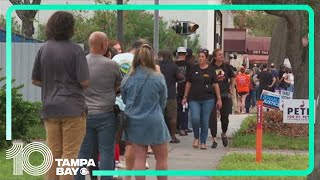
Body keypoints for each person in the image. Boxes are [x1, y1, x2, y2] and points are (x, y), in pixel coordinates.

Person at [31, 11, 89, 180]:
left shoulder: (44, 49)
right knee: (69, 154)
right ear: (69, 27)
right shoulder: (76, 50)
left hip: (50, 108)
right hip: (73, 108)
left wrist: (52, 83)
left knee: (53, 153)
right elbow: (84, 82)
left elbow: (35, 80)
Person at [75, 32, 122, 180]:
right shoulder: (112, 65)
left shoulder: (79, 63)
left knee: (82, 153)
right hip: (106, 114)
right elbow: (118, 86)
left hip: (84, 114)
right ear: (104, 45)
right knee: (107, 151)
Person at [121, 44, 170, 180]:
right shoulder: (158, 77)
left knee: (139, 159)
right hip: (154, 119)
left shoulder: (128, 78)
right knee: (161, 159)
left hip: (135, 121)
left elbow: (125, 100)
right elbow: (163, 100)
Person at [112, 39, 150, 179]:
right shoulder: (140, 62)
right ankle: (130, 171)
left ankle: (114, 167)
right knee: (131, 143)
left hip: (115, 102)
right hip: (133, 106)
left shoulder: (116, 58)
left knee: (113, 139)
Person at [182, 48, 222, 150]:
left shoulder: (211, 70)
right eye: (199, 56)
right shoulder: (193, 69)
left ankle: (203, 141)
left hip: (208, 99)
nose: (200, 58)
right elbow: (188, 83)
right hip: (194, 98)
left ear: (206, 58)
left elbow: (216, 84)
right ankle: (196, 137)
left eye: (202, 57)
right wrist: (185, 96)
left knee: (204, 121)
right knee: (195, 118)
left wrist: (219, 98)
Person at [209, 49, 235, 148]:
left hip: (225, 94)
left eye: (222, 54)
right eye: (219, 55)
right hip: (212, 94)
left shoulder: (227, 66)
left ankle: (224, 133)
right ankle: (214, 138)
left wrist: (231, 90)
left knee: (225, 117)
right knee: (212, 117)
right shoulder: (211, 67)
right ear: (215, 57)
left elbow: (233, 79)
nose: (221, 56)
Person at [159, 50, 181, 143]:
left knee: (160, 116)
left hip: (159, 95)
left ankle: (160, 136)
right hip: (171, 94)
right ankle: (173, 136)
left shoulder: (158, 66)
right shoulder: (174, 66)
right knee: (172, 117)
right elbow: (180, 77)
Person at [175, 47, 192, 136]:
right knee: (185, 108)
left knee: (177, 109)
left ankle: (177, 127)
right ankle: (184, 127)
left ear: (177, 54)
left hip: (176, 89)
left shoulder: (174, 64)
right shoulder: (189, 65)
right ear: (185, 54)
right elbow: (190, 78)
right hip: (186, 89)